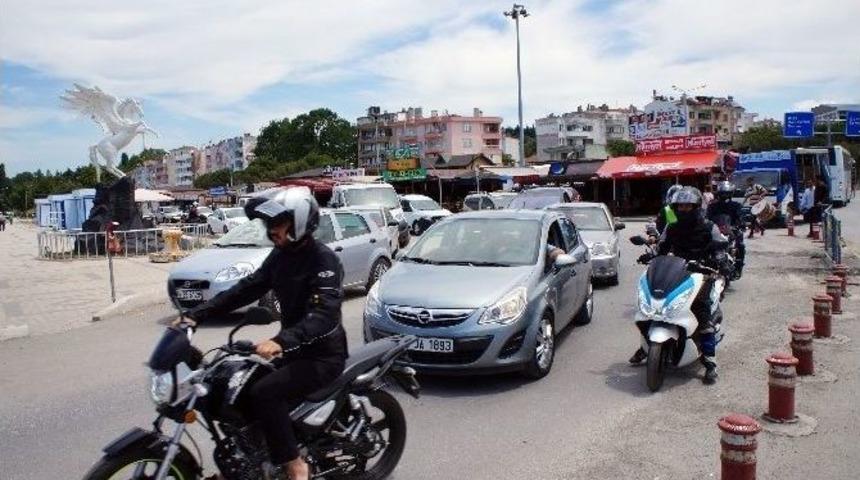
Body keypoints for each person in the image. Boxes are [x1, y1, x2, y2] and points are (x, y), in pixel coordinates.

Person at [177, 188, 346, 480]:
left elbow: (324, 316)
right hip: (293, 351)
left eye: (277, 224)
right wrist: (196, 314)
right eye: (269, 225)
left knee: (265, 393)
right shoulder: (280, 257)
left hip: (323, 356)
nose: (271, 231)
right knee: (236, 390)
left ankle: (295, 465)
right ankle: (258, 458)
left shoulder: (323, 260)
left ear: (299, 223)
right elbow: (246, 288)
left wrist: (279, 341)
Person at [631, 187, 728, 385]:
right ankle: (646, 346)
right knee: (653, 306)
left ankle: (710, 361)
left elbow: (721, 246)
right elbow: (662, 248)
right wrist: (651, 254)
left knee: (704, 318)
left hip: (702, 273)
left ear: (696, 206)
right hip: (677, 271)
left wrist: (719, 260)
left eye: (688, 206)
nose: (684, 209)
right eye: (680, 206)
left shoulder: (709, 227)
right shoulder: (672, 226)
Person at [707, 181, 746, 278]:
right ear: (719, 194)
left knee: (740, 246)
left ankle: (738, 267)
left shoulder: (736, 205)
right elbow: (708, 218)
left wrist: (740, 225)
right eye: (723, 193)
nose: (725, 196)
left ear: (731, 194)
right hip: (716, 231)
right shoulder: (712, 206)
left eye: (727, 193)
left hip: (732, 230)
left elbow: (740, 217)